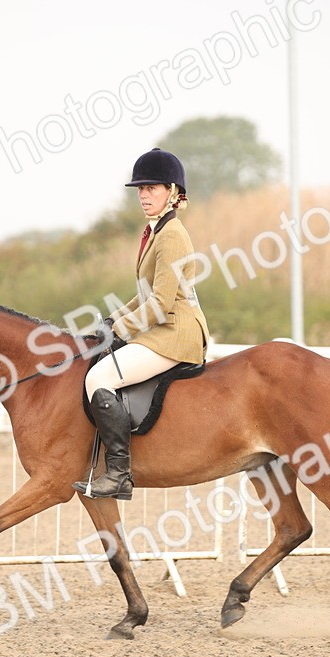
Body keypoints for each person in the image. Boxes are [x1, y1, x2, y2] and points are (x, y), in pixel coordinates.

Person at [73, 148, 210, 500]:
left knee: (98, 378)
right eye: (140, 189)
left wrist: (119, 331)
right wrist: (111, 320)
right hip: (164, 328)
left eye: (151, 188)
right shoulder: (156, 230)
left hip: (176, 332)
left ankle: (119, 473)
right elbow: (144, 295)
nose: (144, 195)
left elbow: (161, 304)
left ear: (172, 192)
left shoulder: (172, 235)